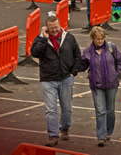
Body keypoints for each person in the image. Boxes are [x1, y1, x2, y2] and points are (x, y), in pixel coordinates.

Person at [30, 16, 82, 147]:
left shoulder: (69, 37)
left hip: (66, 78)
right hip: (48, 79)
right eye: (51, 28)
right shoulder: (40, 39)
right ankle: (53, 135)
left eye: (56, 27)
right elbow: (35, 53)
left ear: (60, 25)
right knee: (50, 109)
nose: (54, 30)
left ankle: (65, 128)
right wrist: (43, 38)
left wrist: (73, 72)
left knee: (67, 108)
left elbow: (77, 55)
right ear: (46, 27)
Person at [78, 26, 121, 147]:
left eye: (101, 38)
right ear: (93, 39)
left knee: (110, 110)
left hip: (111, 84)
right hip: (97, 85)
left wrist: (117, 74)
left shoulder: (111, 48)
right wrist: (72, 66)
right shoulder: (88, 51)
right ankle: (101, 136)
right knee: (100, 110)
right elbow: (83, 65)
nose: (100, 41)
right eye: (97, 39)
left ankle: (109, 131)